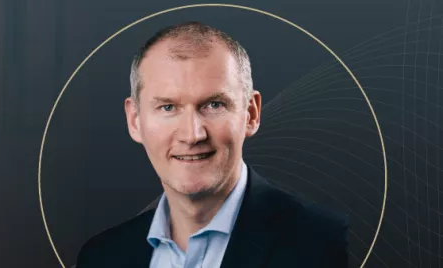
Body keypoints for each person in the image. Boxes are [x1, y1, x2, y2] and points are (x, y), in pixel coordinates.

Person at [75, 21, 348, 268]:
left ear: (251, 114)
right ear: (135, 120)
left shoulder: (321, 244)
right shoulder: (100, 257)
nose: (193, 134)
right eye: (168, 107)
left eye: (214, 105)